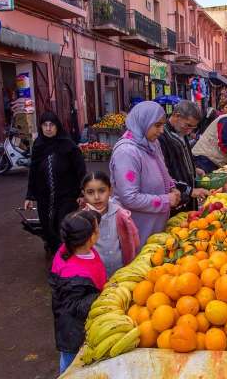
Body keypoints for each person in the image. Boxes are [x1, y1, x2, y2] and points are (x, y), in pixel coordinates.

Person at [109, 101, 181, 246]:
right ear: (143, 121)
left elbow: (162, 170)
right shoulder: (127, 152)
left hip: (154, 225)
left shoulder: (151, 143)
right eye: (157, 125)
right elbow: (129, 197)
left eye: (162, 125)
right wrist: (166, 200)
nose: (161, 131)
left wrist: (172, 186)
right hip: (137, 227)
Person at [49, 210, 106, 374]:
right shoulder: (72, 274)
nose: (99, 229)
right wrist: (100, 296)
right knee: (71, 364)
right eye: (97, 228)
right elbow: (75, 306)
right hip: (73, 331)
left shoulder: (75, 248)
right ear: (91, 238)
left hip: (80, 321)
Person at [24, 111, 86, 256]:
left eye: (51, 125)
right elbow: (33, 172)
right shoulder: (38, 145)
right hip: (44, 197)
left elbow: (80, 170)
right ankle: (54, 252)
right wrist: (29, 196)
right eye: (45, 125)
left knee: (62, 225)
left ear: (57, 126)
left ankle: (64, 256)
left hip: (67, 195)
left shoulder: (68, 145)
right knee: (47, 226)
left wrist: (82, 193)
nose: (48, 128)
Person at [82, 171, 140, 277]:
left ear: (110, 190)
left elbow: (134, 241)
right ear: (83, 193)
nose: (96, 197)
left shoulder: (121, 216)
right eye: (90, 192)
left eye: (102, 191)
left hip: (121, 273)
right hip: (93, 277)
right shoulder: (82, 220)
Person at [159, 100, 210, 213]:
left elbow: (181, 158)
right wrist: (190, 191)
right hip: (175, 200)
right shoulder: (162, 137)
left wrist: (194, 169)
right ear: (177, 116)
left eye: (193, 128)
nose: (190, 131)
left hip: (188, 198)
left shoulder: (182, 131)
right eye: (188, 125)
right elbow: (163, 173)